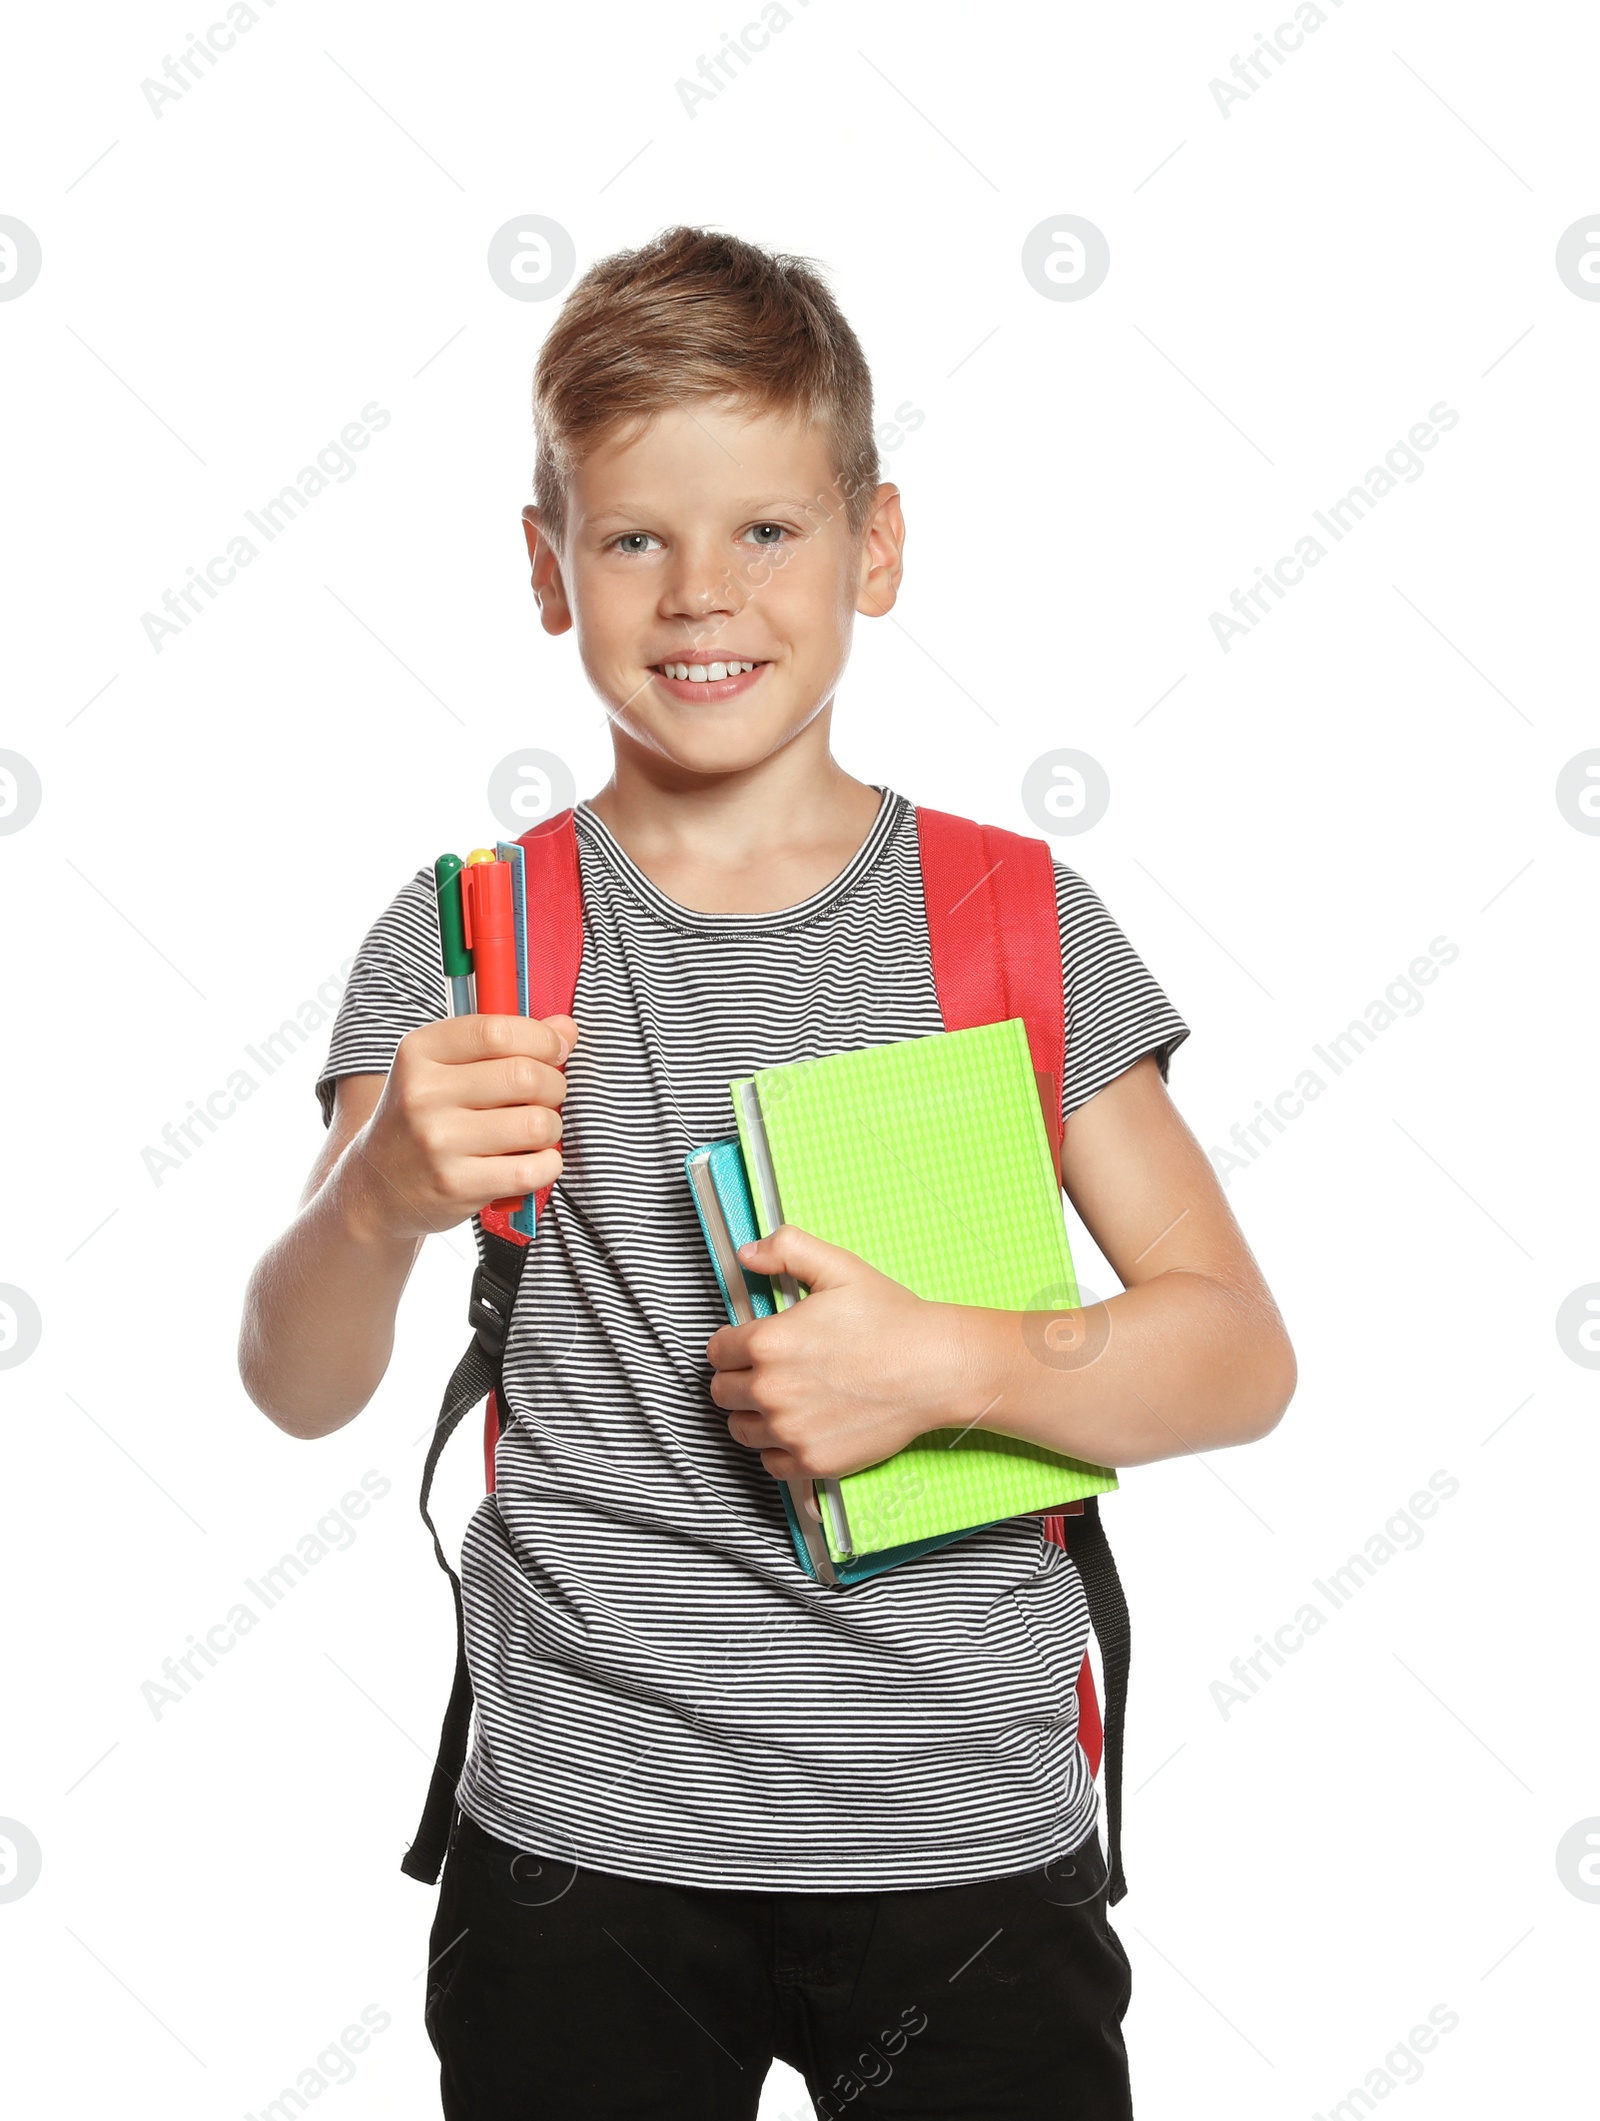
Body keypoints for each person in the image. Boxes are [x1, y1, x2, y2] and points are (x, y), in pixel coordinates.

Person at [238, 224, 1296, 2119]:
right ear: (548, 568)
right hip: (578, 1850)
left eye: (770, 532)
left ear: (876, 545)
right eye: (636, 535)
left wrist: (954, 1365)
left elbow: (1237, 1354)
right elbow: (293, 1381)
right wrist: (377, 1198)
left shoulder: (1010, 917)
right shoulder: (470, 936)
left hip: (970, 1842)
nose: (701, 591)